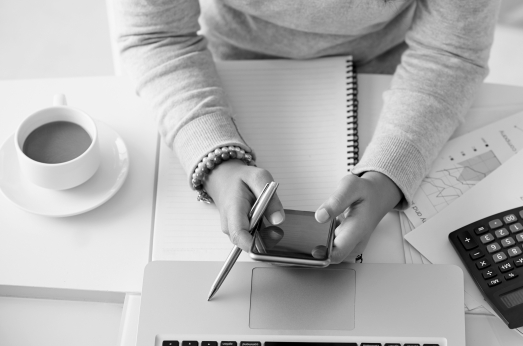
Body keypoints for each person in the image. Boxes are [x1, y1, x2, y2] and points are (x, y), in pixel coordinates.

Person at [117, 0, 499, 262]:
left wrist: (389, 173)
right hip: (222, 69)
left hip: (391, 76)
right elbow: (155, 35)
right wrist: (214, 157)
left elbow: (452, 53)